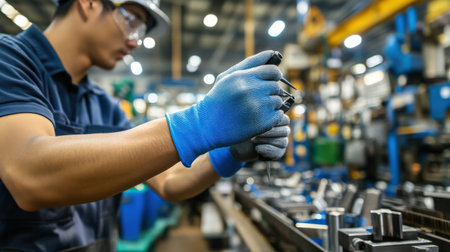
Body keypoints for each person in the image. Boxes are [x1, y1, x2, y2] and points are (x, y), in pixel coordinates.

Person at [0, 0, 290, 250]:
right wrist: (198, 122)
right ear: (88, 3)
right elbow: (29, 172)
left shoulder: (105, 106)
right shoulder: (9, 61)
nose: (135, 41)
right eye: (132, 20)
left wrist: (228, 154)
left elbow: (168, 182)